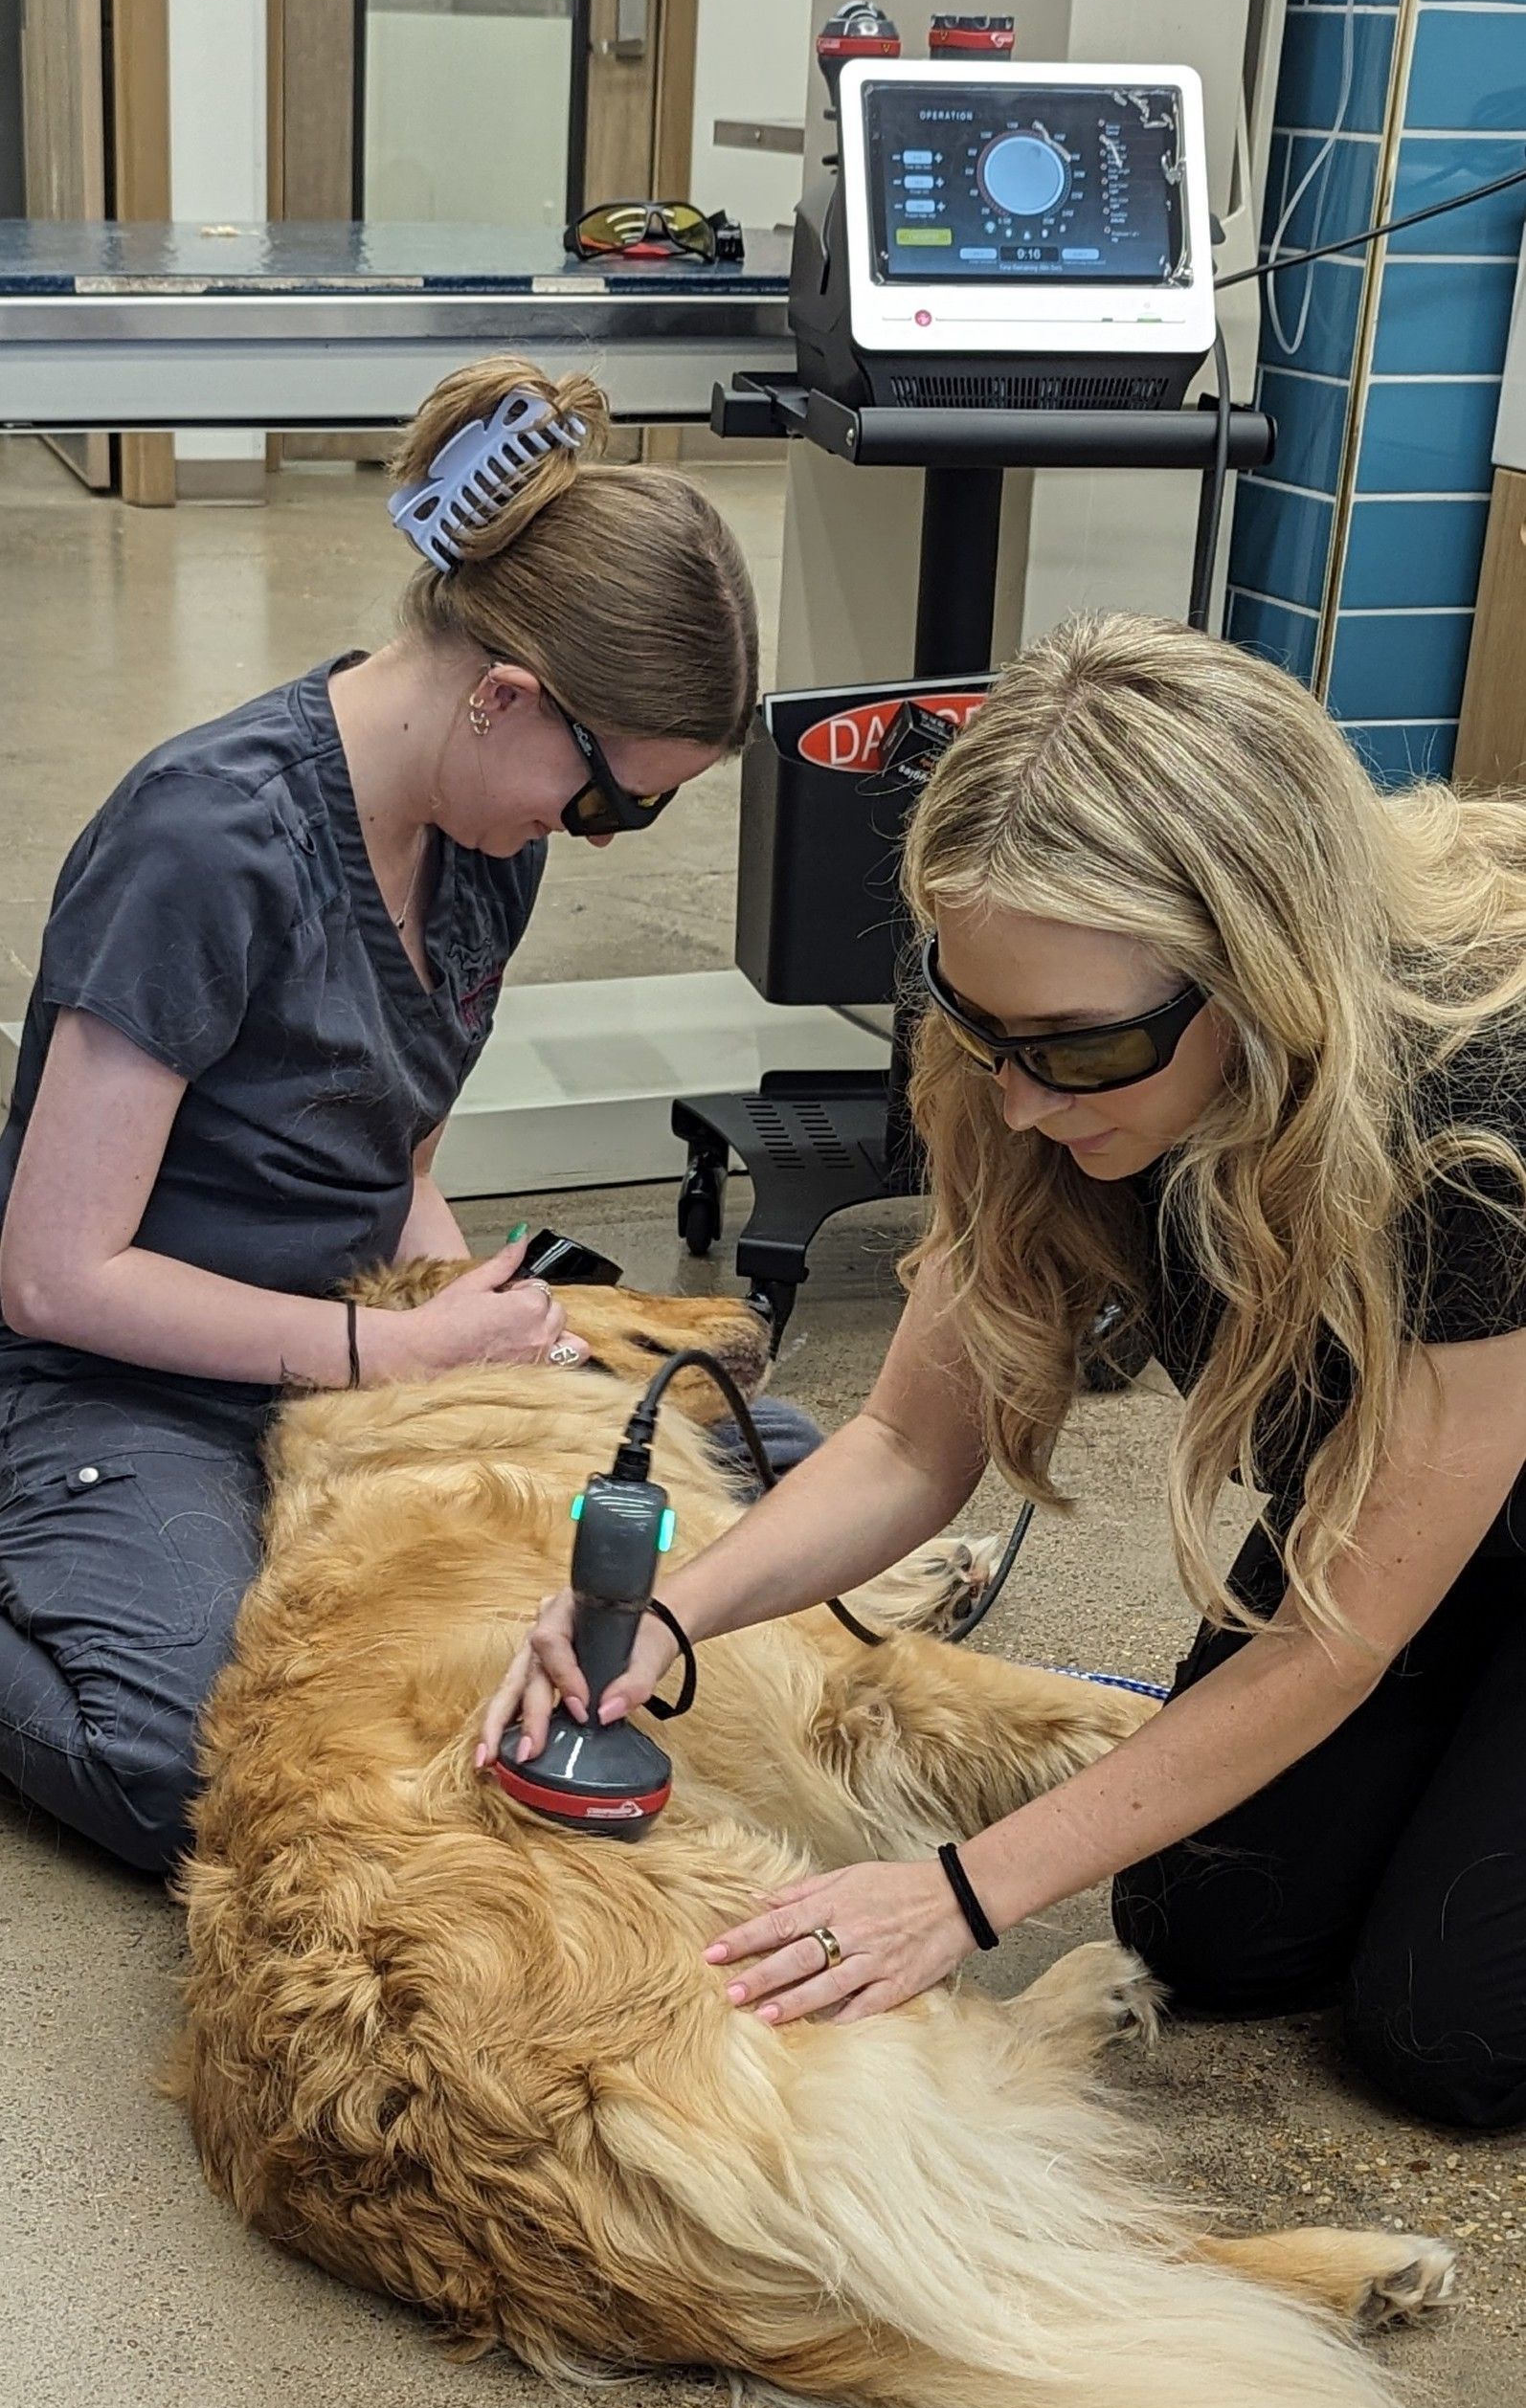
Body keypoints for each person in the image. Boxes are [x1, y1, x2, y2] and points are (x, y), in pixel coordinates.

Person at [482, 613, 1526, 2132]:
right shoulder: (1027, 1048)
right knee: (1204, 1932)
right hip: (1403, 1486)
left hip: (1450, 1499)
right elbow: (911, 1443)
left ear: (1266, 974)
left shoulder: (1466, 1111)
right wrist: (668, 1608)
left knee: (1445, 2039)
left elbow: (1328, 1641)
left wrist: (958, 1894)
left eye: (1073, 1049)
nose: (1020, 1097)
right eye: (980, 1027)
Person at [0, 352, 814, 1883]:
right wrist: (401, 1356)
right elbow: (53, 1273)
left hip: (350, 1340)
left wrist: (492, 1330)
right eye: (611, 802)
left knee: (775, 1475)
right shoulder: (202, 843)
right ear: (507, 695)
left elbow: (401, 1156)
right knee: (197, 1766)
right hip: (125, 1377)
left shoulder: (479, 834)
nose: (599, 836)